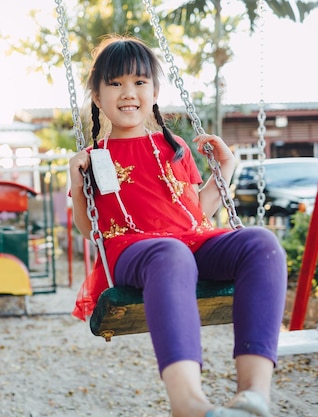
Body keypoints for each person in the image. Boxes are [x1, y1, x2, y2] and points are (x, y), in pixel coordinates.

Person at [68, 35, 287, 417]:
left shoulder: (176, 148)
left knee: (260, 243)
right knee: (170, 254)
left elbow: (194, 212)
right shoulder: (94, 158)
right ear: (98, 97)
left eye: (139, 82)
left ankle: (254, 394)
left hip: (189, 242)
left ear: (154, 92)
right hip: (132, 250)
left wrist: (226, 170)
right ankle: (188, 403)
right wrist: (75, 179)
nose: (128, 92)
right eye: (115, 83)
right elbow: (89, 230)